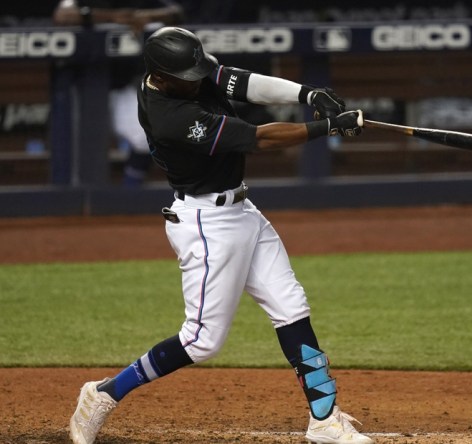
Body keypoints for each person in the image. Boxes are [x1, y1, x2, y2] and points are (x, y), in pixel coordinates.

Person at [68, 27, 371, 444]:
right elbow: (259, 139)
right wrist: (328, 128)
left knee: (291, 305)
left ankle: (324, 420)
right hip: (207, 225)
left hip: (242, 210)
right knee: (202, 341)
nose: (199, 78)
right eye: (189, 75)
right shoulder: (171, 117)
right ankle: (104, 394)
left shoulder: (182, 73)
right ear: (163, 76)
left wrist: (308, 94)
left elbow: (240, 82)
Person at [52, 0, 185, 187]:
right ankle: (69, 202)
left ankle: (130, 192)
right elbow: (62, 16)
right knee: (77, 153)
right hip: (81, 90)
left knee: (145, 137)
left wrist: (147, 16)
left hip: (118, 88)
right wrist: (112, 18)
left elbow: (176, 12)